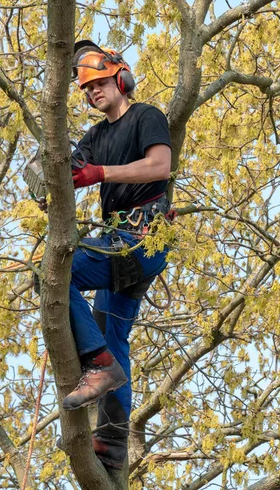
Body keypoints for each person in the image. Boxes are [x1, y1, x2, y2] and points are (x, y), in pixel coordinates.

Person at [40, 40, 171, 469]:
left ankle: (97, 366)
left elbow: (159, 166)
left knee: (58, 272)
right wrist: (48, 179)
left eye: (99, 83)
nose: (93, 92)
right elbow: (64, 166)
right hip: (120, 245)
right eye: (87, 89)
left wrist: (100, 173)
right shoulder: (95, 136)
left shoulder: (146, 117)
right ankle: (113, 447)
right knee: (112, 336)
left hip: (141, 237)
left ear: (121, 78)